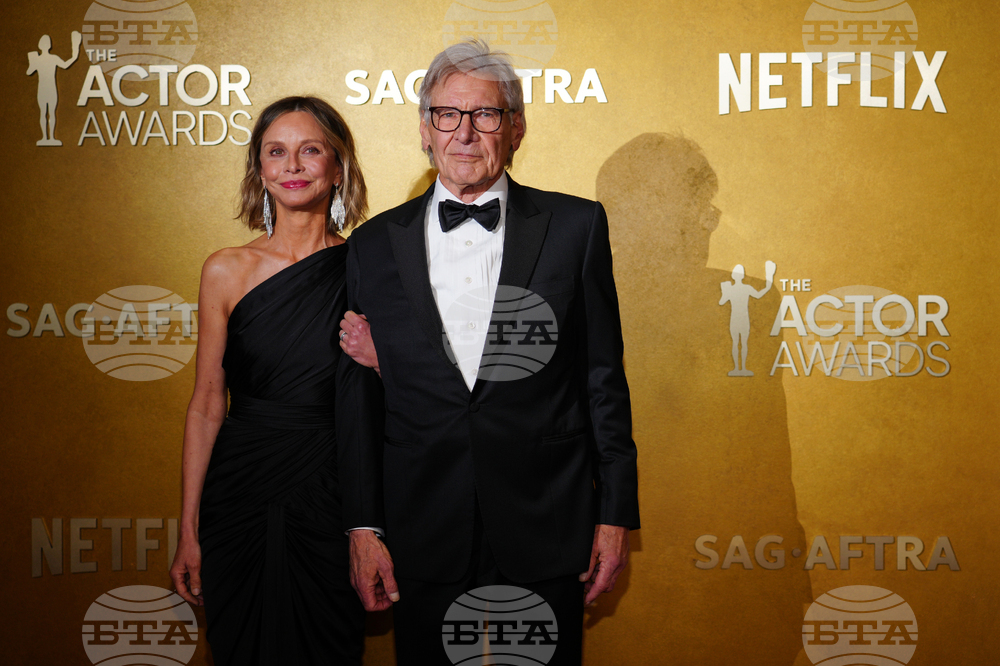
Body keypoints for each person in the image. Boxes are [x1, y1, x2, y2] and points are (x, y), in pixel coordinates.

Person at [336, 40, 639, 665]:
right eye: (447, 114)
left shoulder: (576, 227)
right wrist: (363, 526)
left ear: (516, 128)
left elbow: (602, 378)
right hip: (422, 523)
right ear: (424, 129)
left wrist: (615, 515)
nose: (465, 133)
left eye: (486, 114)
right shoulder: (371, 245)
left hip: (546, 517)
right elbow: (359, 402)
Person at [169, 96, 374, 665]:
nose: (293, 165)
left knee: (326, 644)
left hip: (331, 487)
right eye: (276, 153)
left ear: (339, 167)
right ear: (259, 170)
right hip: (239, 489)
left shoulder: (369, 267)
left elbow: (396, 396)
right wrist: (188, 528)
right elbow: (207, 402)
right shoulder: (226, 269)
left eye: (310, 150)